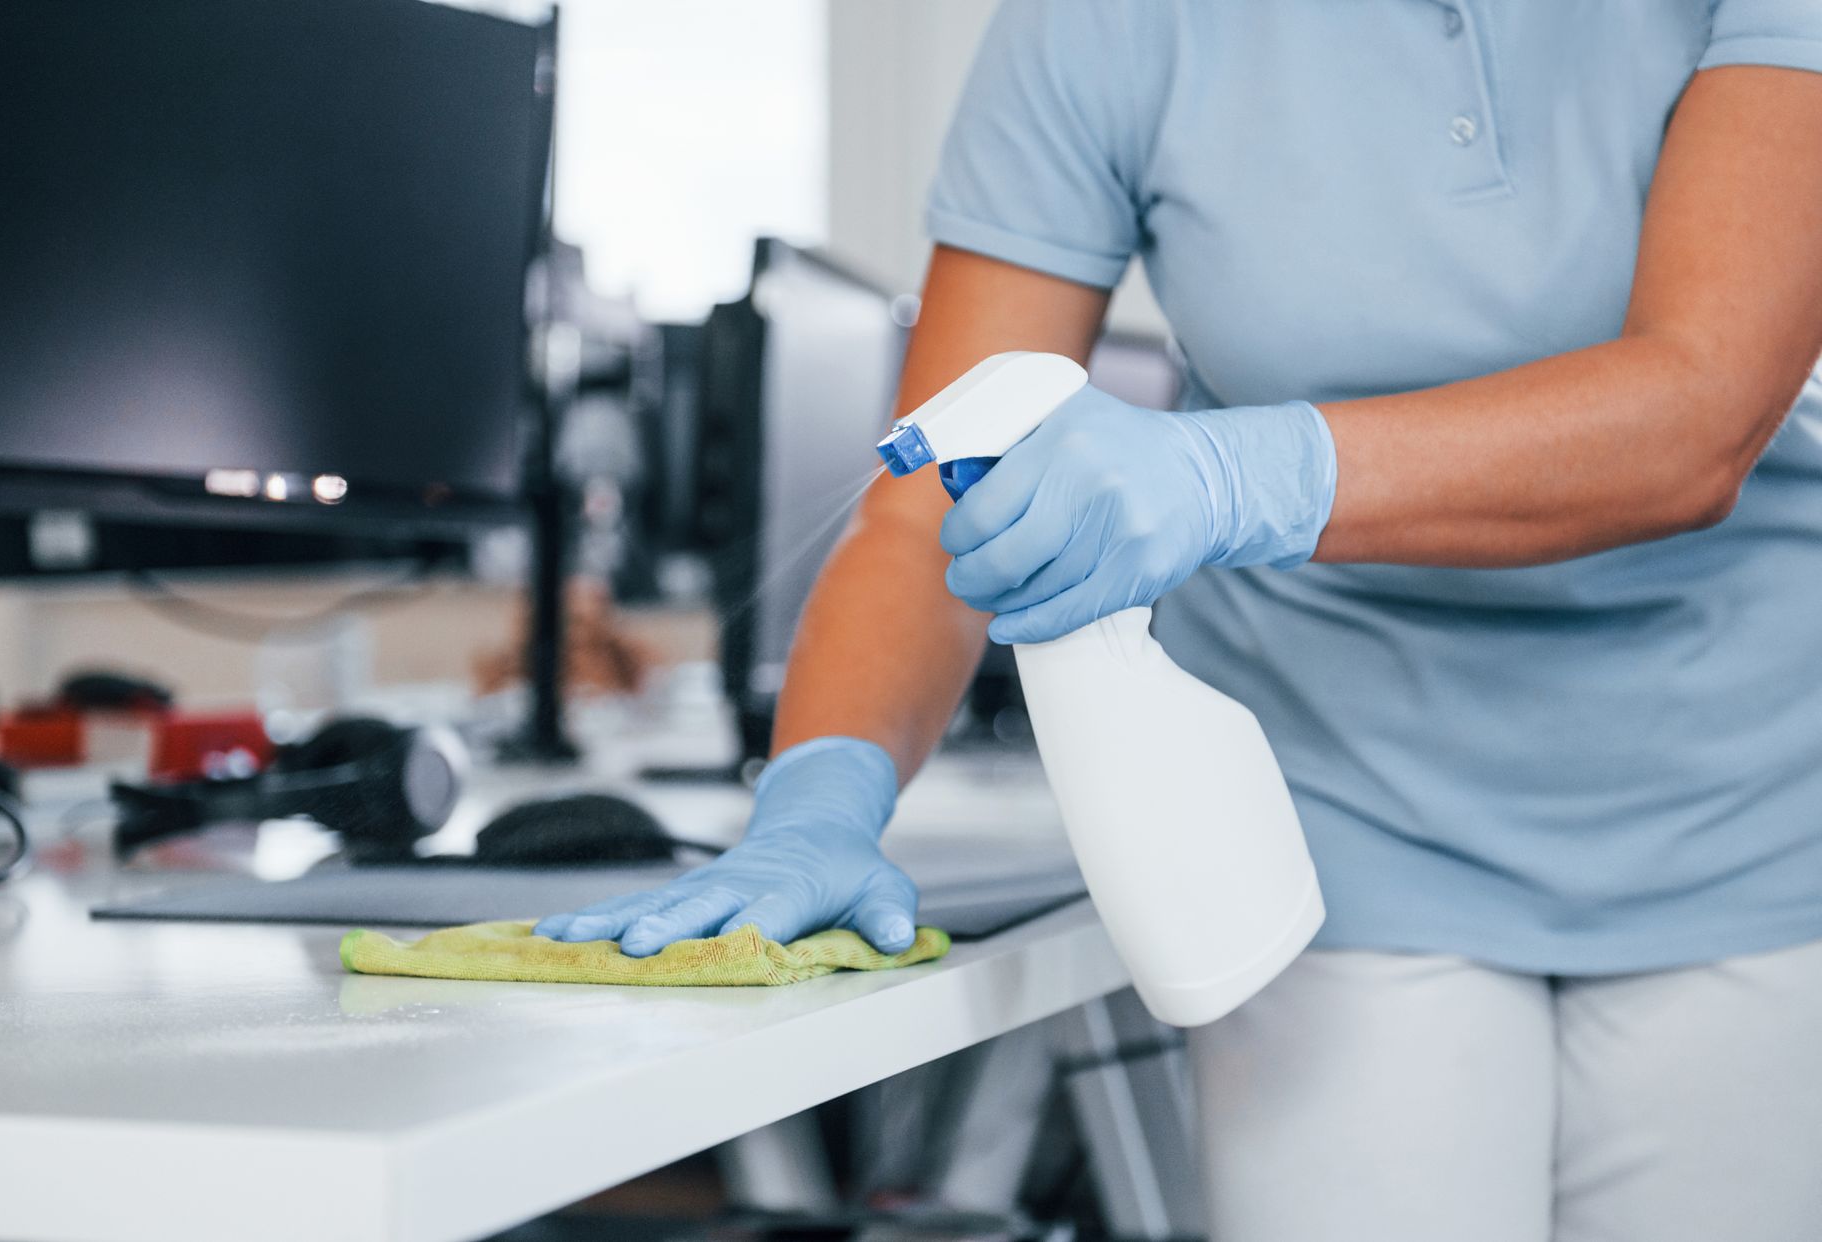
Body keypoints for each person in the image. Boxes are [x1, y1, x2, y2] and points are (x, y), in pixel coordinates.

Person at [539, 3, 1822, 1237]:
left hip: (1754, 807)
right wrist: (823, 789)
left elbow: (1696, 420)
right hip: (1334, 826)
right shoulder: (1111, 22)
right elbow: (937, 499)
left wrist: (1234, 473)